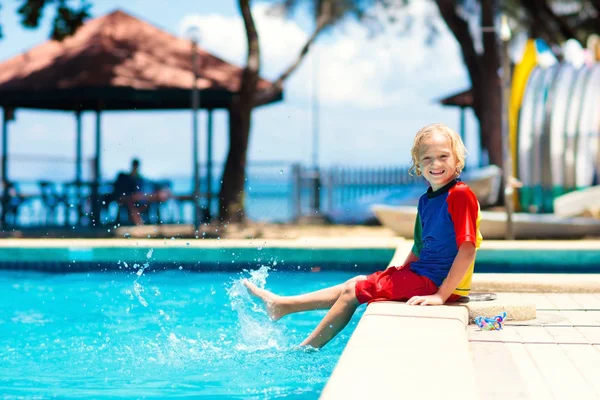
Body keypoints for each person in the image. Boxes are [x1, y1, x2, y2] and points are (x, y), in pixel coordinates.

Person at [243, 123, 483, 349]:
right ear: (418, 165)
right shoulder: (426, 200)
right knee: (355, 282)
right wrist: (398, 276)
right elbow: (419, 248)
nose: (435, 163)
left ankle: (305, 350)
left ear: (458, 160)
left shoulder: (460, 195)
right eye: (427, 158)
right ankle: (282, 306)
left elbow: (468, 248)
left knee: (351, 293)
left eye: (443, 156)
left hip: (437, 284)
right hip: (424, 276)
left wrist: (440, 296)